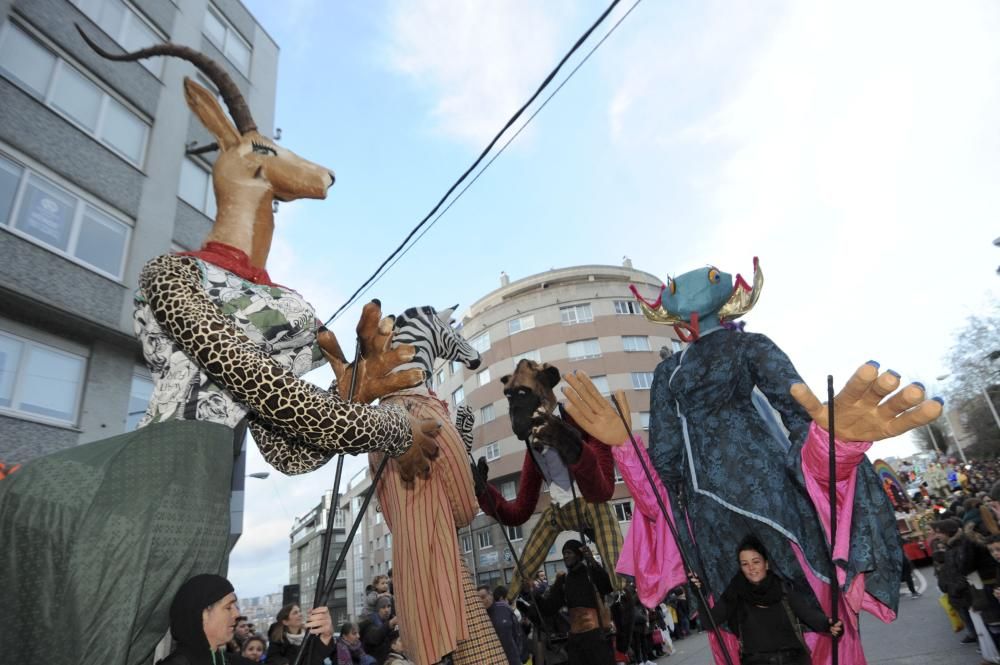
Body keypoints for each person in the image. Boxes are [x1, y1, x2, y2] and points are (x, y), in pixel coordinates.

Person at [693, 536, 842, 665]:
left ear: (766, 563)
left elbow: (808, 614)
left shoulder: (782, 588)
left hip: (794, 661)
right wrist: (700, 594)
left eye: (756, 561)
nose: (751, 568)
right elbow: (709, 622)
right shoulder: (735, 592)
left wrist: (828, 625)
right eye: (745, 564)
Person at [157, 574, 333, 665]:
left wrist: (323, 637)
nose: (236, 614)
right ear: (202, 613)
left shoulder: (230, 661)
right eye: (228, 607)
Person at [535, 540, 615, 665]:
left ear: (578, 554)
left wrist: (592, 562)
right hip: (576, 641)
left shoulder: (591, 573)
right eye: (564, 553)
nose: (565, 556)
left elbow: (607, 587)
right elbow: (549, 608)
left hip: (596, 638)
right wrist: (533, 592)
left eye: (569, 552)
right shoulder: (563, 581)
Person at [478, 585, 523, 665]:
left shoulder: (504, 608)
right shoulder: (478, 617)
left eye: (483, 597)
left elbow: (517, 632)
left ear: (490, 595)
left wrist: (518, 653)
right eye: (478, 599)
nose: (482, 601)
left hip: (513, 658)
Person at [360, 596, 400, 664]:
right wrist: (390, 624)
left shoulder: (389, 621)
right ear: (377, 610)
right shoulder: (369, 624)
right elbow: (376, 637)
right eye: (383, 607)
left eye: (389, 606)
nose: (387, 610)